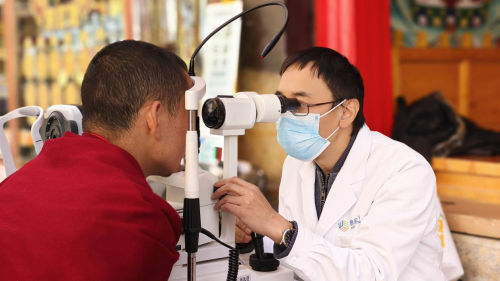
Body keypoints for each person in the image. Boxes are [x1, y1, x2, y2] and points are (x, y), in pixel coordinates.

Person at [212, 47, 447, 281]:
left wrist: (275, 224)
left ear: (346, 112)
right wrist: (252, 237)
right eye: (283, 104)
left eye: (300, 104)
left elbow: (373, 273)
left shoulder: (404, 170)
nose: (287, 115)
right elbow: (299, 255)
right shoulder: (297, 163)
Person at [0, 41, 191, 280]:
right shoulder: (140, 219)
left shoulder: (12, 187)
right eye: (189, 113)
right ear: (155, 117)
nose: (193, 129)